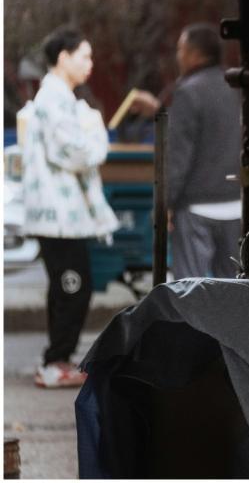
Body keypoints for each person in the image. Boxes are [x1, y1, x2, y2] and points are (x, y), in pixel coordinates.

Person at [21, 27, 119, 388]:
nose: (90, 64)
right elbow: (75, 152)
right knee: (74, 287)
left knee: (67, 287)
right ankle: (56, 361)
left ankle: (58, 358)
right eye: (85, 56)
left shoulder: (58, 97)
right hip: (59, 217)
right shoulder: (55, 99)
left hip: (61, 217)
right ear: (63, 56)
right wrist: (97, 134)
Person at [166, 23, 241, 279]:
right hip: (236, 203)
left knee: (191, 290)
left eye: (181, 49)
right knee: (233, 289)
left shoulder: (188, 92)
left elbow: (178, 157)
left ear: (194, 54)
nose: (178, 56)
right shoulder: (236, 87)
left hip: (196, 207)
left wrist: (166, 203)